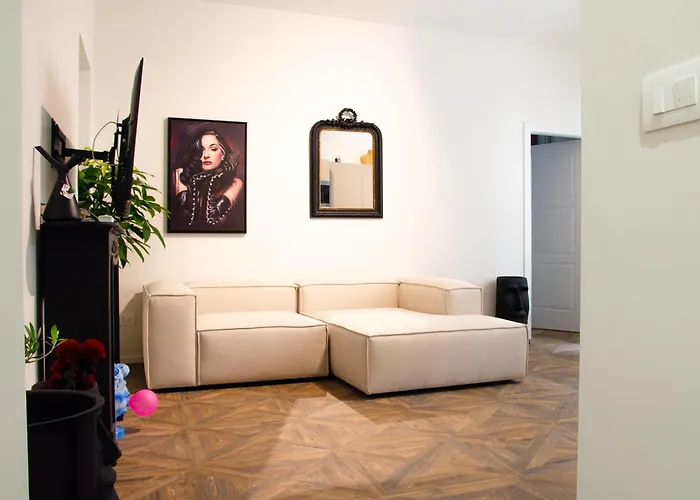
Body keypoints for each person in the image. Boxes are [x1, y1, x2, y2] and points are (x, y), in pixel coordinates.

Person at [172, 127, 244, 230]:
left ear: (222, 154)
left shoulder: (233, 183)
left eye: (213, 149)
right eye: (201, 150)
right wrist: (182, 193)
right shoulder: (183, 178)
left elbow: (211, 219)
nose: (206, 155)